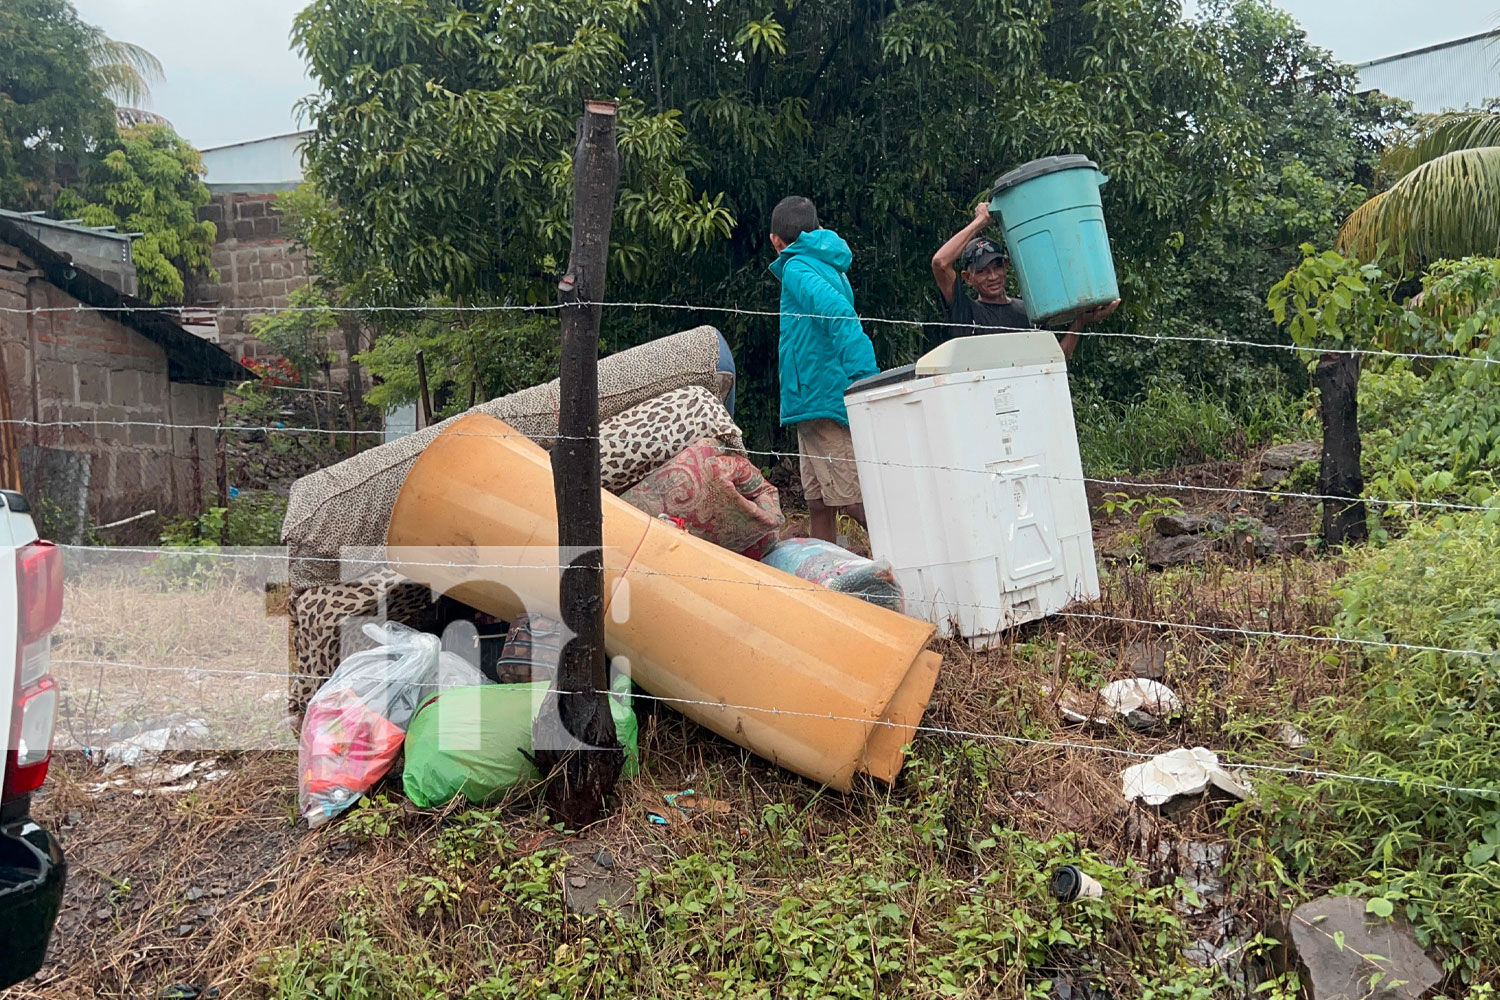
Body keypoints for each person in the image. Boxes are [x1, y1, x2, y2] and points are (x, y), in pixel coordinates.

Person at [767, 196, 879, 544]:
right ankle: (825, 577)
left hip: (823, 397)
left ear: (775, 241)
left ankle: (912, 563)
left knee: (853, 501)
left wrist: (865, 379)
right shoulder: (824, 264)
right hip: (810, 400)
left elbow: (840, 316)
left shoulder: (799, 268)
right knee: (818, 501)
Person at [931, 201, 1120, 359]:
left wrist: (1081, 321)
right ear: (968, 277)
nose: (993, 276)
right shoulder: (965, 311)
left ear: (1006, 265)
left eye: (997, 267)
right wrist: (980, 221)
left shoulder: (1029, 311)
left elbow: (1056, 359)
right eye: (982, 271)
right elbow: (940, 263)